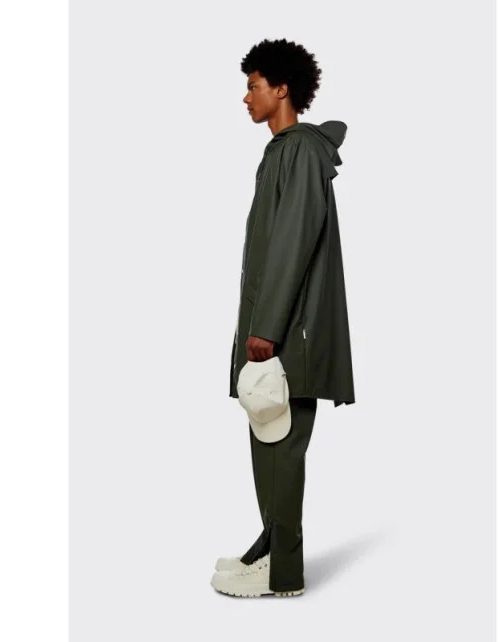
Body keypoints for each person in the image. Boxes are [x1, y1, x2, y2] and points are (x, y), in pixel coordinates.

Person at [210, 38, 355, 598]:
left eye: (253, 85)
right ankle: (268, 550)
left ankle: (284, 572)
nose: (246, 96)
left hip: (288, 333)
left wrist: (267, 328)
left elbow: (293, 242)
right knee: (268, 441)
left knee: (281, 446)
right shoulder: (284, 152)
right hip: (278, 330)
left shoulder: (299, 152)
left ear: (282, 88)